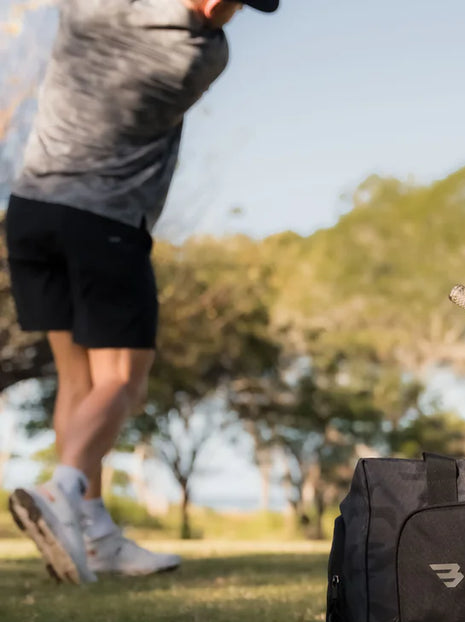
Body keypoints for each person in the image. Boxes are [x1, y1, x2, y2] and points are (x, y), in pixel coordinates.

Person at [5, 0, 279, 584]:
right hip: (103, 223)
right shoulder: (199, 55)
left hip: (31, 212)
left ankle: (95, 533)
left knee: (79, 384)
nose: (225, 11)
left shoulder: (99, 11)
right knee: (122, 382)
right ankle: (62, 490)